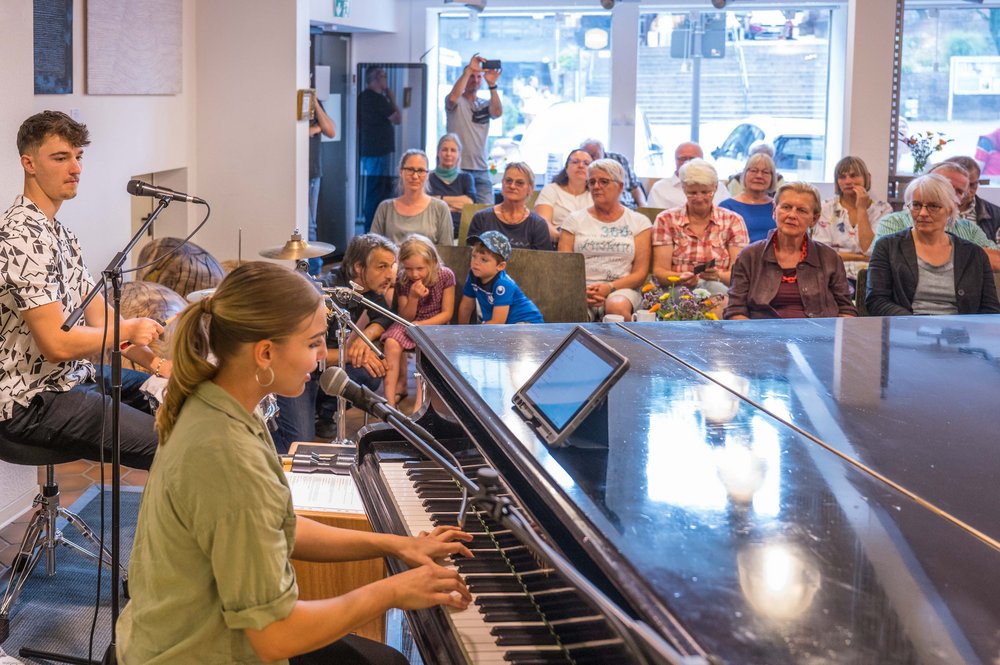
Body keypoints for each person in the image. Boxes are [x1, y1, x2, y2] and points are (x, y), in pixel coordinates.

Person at [116, 262, 473, 665]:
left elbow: (276, 524)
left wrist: (396, 544)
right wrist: (392, 590)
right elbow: (275, 638)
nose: (322, 357)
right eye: (313, 343)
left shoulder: (222, 402)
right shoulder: (227, 455)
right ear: (265, 352)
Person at [0, 111, 169, 470]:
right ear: (28, 163)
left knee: (177, 400)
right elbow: (57, 345)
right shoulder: (20, 237)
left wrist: (156, 364)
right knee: (168, 445)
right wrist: (127, 330)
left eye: (78, 157)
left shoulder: (60, 233)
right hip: (30, 400)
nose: (75, 168)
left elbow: (99, 314)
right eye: (61, 158)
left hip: (74, 379)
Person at [866, 174, 1000, 317]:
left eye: (933, 206)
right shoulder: (887, 247)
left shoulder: (975, 254)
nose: (923, 213)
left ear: (950, 209)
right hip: (906, 331)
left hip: (961, 334)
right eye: (916, 205)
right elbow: (876, 300)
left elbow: (990, 309)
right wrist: (912, 322)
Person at [725, 182, 857, 320]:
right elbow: (735, 309)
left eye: (801, 210)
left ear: (814, 218)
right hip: (763, 336)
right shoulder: (750, 256)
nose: (792, 215)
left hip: (818, 337)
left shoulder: (829, 257)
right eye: (786, 207)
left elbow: (846, 309)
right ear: (774, 211)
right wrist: (754, 338)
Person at [312, 234, 398, 441]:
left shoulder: (369, 286)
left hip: (334, 358)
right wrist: (351, 355)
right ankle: (318, 413)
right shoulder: (329, 293)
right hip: (310, 368)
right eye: (382, 267)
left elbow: (384, 316)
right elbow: (314, 355)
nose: (390, 275)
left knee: (369, 374)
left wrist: (364, 337)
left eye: (391, 266)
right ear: (359, 267)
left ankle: (325, 414)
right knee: (300, 433)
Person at [557, 159, 652, 320]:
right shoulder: (573, 220)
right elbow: (563, 269)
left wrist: (609, 287)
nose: (596, 187)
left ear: (620, 186)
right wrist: (581, 291)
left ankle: (625, 346)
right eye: (592, 182)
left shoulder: (639, 222)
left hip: (622, 287)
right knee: (572, 307)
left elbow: (640, 274)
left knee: (617, 305)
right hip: (580, 288)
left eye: (604, 181)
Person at [874, 161, 1000, 272]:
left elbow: (997, 260)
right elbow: (890, 262)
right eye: (944, 185)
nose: (951, 194)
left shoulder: (969, 229)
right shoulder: (893, 222)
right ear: (924, 182)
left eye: (959, 192)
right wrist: (970, 255)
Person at [652, 159, 749, 297]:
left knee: (717, 293)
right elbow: (660, 272)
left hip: (720, 289)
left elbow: (739, 275)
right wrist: (681, 277)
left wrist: (718, 275)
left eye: (705, 192)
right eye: (692, 193)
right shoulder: (666, 219)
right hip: (679, 289)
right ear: (684, 189)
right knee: (683, 297)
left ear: (715, 188)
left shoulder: (733, 221)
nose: (699, 198)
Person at [380, 236, 455, 409]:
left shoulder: (445, 276)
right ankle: (389, 404)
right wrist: (413, 297)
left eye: (420, 268)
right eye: (409, 269)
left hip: (435, 324)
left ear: (433, 262)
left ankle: (419, 406)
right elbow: (405, 316)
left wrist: (423, 325)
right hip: (410, 322)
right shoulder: (404, 279)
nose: (414, 274)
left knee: (425, 347)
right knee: (391, 343)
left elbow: (447, 313)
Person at [810, 156, 892, 282]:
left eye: (854, 176)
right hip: (833, 273)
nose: (848, 181)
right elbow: (822, 253)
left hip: (870, 276)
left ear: (867, 178)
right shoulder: (825, 208)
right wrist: (861, 257)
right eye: (842, 177)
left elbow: (871, 250)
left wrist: (862, 209)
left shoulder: (883, 210)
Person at [445, 53, 502, 204]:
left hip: (481, 169)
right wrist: (468, 70)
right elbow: (452, 99)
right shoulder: (456, 101)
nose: (475, 80)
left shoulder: (484, 104)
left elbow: (497, 112)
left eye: (478, 77)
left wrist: (492, 84)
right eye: (472, 77)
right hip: (457, 168)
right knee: (457, 213)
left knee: (487, 214)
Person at [371, 150, 454, 247]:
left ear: (427, 175)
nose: (415, 176)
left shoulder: (440, 208)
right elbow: (373, 248)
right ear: (401, 172)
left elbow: (447, 251)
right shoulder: (385, 208)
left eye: (420, 171)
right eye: (410, 169)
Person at [458, 231, 543, 325]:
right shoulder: (473, 275)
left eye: (484, 259)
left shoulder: (503, 284)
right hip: (504, 328)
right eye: (474, 256)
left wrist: (474, 334)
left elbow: (498, 322)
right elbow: (466, 307)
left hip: (528, 323)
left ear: (500, 266)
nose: (476, 262)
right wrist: (461, 333)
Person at [467, 161, 551, 250]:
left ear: (530, 189)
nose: (512, 186)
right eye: (508, 181)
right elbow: (472, 257)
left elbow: (542, 262)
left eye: (519, 183)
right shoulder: (481, 218)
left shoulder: (538, 225)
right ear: (502, 183)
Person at [358, 66, 401, 230]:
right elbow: (397, 118)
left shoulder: (363, 97)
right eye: (384, 76)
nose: (386, 80)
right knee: (376, 192)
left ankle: (371, 229)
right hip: (376, 153)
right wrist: (392, 98)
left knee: (375, 190)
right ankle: (372, 230)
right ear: (376, 78)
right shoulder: (378, 99)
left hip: (370, 151)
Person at [534, 149, 593, 243]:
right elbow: (543, 222)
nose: (581, 166)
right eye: (575, 162)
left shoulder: (596, 194)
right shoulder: (551, 189)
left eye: (586, 163)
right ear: (566, 168)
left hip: (589, 244)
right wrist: (564, 239)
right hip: (556, 243)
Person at [647, 142, 728, 210]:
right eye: (683, 158)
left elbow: (726, 214)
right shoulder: (660, 188)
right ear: (675, 160)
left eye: (693, 159)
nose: (687, 163)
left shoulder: (719, 187)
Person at [718, 152, 777, 243]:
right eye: (754, 171)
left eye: (765, 172)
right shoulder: (726, 207)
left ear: (772, 178)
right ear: (744, 174)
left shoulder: (778, 207)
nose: (759, 176)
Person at [307, 95, 336, 274]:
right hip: (299, 174)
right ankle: (313, 270)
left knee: (311, 225)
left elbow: (331, 130)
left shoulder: (314, 103)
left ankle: (315, 272)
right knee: (308, 226)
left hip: (313, 173)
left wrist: (316, 103)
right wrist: (311, 129)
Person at [427, 133, 476, 235]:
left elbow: (469, 204)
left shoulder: (466, 178)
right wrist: (457, 205)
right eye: (444, 150)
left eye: (453, 150)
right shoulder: (428, 178)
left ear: (459, 154)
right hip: (433, 232)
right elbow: (427, 206)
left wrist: (440, 199)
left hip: (462, 234)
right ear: (438, 152)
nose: (448, 154)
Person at [944, 155, 1000, 243]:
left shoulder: (996, 215)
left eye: (972, 185)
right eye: (958, 187)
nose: (966, 192)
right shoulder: (926, 211)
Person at [580, 138, 647, 208]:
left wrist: (643, 206)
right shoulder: (582, 167)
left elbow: (635, 187)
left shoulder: (620, 159)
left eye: (595, 155)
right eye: (588, 155)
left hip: (630, 207)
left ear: (603, 153)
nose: (592, 159)